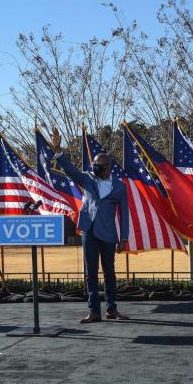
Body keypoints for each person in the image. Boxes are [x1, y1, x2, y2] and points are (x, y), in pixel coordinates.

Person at [50, 127, 130, 323]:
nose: (95, 168)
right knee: (90, 273)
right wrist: (58, 149)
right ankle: (94, 311)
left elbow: (124, 213)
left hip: (108, 234)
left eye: (99, 166)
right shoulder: (87, 178)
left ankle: (111, 309)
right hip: (89, 231)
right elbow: (70, 170)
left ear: (108, 167)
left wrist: (124, 238)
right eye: (94, 164)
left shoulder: (119, 186)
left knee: (109, 272)